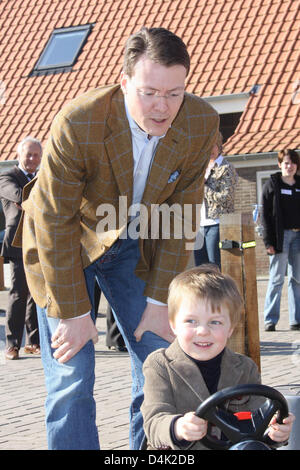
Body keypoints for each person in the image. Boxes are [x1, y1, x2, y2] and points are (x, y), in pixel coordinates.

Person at [18, 27, 219, 450]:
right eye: (149, 92)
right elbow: (54, 220)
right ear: (124, 82)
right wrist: (74, 315)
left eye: (174, 93)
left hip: (135, 243)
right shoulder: (80, 120)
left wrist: (161, 301)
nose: (162, 107)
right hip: (65, 242)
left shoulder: (201, 122)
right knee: (72, 374)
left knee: (159, 360)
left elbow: (178, 216)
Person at [141, 265, 294, 450]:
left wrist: (275, 432)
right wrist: (177, 427)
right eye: (191, 321)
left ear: (230, 328)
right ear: (173, 324)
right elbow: (154, 421)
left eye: (215, 322)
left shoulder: (245, 368)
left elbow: (259, 422)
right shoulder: (160, 366)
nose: (203, 331)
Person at [0, 137, 42, 360]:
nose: (32, 159)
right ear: (19, 155)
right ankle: (12, 344)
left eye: (36, 155)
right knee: (18, 293)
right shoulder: (7, 176)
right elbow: (18, 196)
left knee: (36, 294)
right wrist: (38, 198)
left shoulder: (41, 177)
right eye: (29, 154)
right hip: (17, 243)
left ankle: (33, 341)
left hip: (39, 241)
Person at [262, 149, 300, 331]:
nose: (289, 166)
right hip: (280, 237)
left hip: (298, 237)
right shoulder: (272, 184)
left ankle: (296, 319)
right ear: (279, 164)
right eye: (286, 162)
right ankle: (270, 320)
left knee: (297, 279)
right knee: (277, 279)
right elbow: (266, 216)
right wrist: (268, 242)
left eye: (293, 163)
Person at [194, 132, 238, 268]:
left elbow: (226, 197)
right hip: (198, 225)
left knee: (215, 266)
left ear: (219, 146)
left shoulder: (226, 168)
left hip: (217, 223)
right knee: (200, 268)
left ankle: (218, 290)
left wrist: (204, 188)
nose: (210, 150)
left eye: (213, 146)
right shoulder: (200, 169)